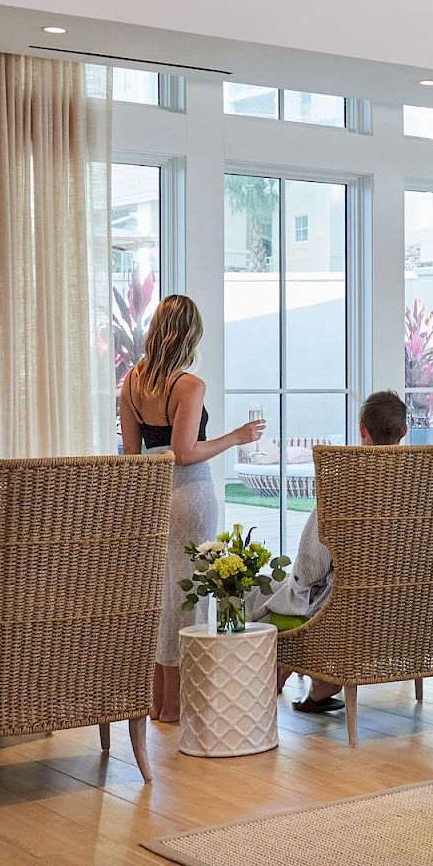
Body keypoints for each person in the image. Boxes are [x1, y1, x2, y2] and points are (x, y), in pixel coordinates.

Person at [119, 295, 265, 724]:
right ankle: (181, 703)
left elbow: (132, 454)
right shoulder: (189, 386)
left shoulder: (131, 383)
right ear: (190, 334)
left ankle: (158, 701)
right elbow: (184, 452)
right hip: (188, 496)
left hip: (150, 494)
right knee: (190, 600)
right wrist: (236, 437)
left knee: (161, 598)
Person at [249, 390, 409, 713]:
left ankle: (305, 675)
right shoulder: (420, 486)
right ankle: (302, 675)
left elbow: (308, 568)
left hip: (342, 615)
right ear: (404, 432)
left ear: (362, 430)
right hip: (403, 611)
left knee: (256, 594)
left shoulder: (345, 487)